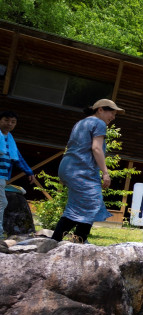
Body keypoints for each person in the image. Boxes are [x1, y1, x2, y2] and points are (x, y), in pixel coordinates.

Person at [51, 99, 124, 243]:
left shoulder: (81, 122)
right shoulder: (99, 123)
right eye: (112, 113)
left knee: (77, 206)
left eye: (115, 115)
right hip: (81, 170)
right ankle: (77, 241)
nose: (113, 117)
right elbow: (96, 148)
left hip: (68, 167)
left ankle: (62, 241)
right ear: (100, 110)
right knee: (92, 203)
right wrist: (105, 172)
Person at [0, 111, 37, 237]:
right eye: (6, 120)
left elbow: (17, 157)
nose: (9, 124)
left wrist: (29, 172)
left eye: (13, 122)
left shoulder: (9, 139)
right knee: (2, 202)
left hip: (3, 176)